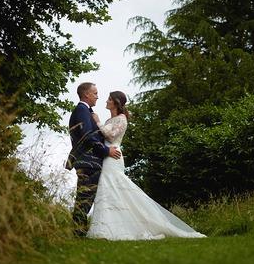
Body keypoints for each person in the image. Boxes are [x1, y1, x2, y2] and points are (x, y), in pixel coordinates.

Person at [87, 91, 206, 240]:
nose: (106, 101)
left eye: (109, 99)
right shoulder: (109, 120)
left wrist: (97, 122)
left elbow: (111, 136)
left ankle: (138, 223)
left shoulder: (122, 119)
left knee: (116, 187)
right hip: (106, 156)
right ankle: (106, 228)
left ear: (116, 102)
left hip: (114, 156)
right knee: (107, 189)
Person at [65, 82, 122, 236]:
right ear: (86, 95)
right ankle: (78, 233)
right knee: (85, 198)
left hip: (89, 161)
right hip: (88, 161)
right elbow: (87, 136)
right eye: (95, 93)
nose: (98, 97)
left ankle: (79, 232)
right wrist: (106, 150)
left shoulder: (86, 111)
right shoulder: (82, 110)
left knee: (85, 197)